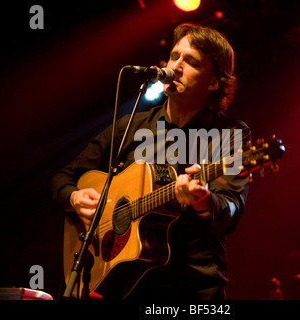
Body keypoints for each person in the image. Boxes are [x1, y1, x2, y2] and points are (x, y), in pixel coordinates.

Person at [50, 23, 251, 300]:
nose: (176, 66)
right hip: (124, 285)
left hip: (192, 287)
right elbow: (64, 177)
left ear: (214, 82)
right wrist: (73, 198)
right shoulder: (132, 125)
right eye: (174, 56)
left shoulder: (229, 134)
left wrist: (203, 201)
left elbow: (231, 209)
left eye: (190, 61)